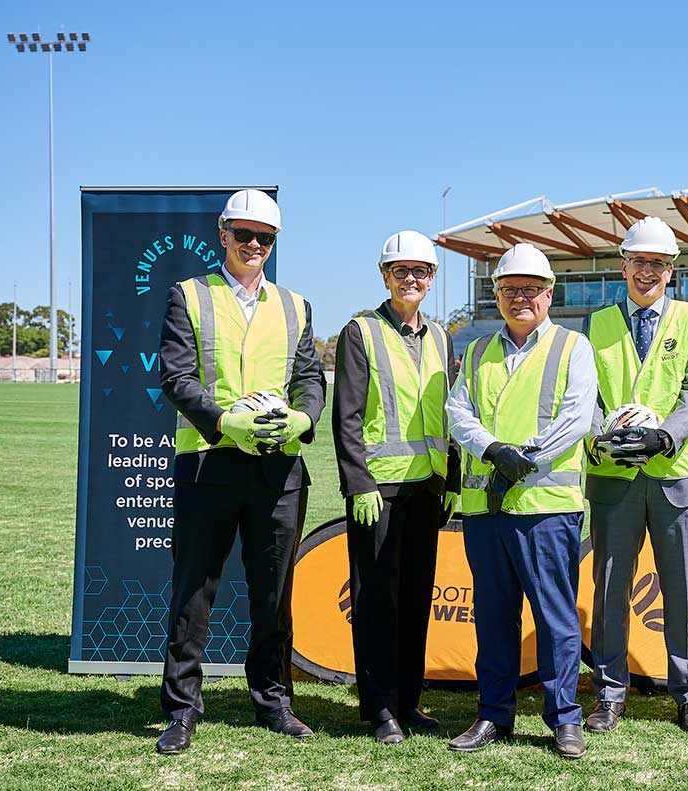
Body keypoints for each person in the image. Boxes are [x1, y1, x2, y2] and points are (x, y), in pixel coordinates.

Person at [156, 189, 326, 754]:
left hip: (279, 467)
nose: (255, 245)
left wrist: (301, 419)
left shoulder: (295, 305)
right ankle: (181, 710)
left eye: (266, 238)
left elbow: (309, 379)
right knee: (195, 587)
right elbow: (177, 378)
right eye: (245, 235)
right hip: (209, 462)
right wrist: (228, 423)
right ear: (223, 235)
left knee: (273, 590)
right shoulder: (189, 296)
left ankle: (274, 699)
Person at [444, 243, 598, 759]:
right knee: (492, 617)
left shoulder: (573, 347)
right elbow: (457, 411)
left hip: (546, 509)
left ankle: (564, 719)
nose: (520, 298)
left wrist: (524, 461)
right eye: (510, 289)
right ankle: (494, 714)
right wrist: (493, 450)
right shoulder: (478, 348)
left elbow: (576, 418)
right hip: (487, 510)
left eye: (531, 289)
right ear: (497, 295)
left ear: (549, 293)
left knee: (556, 618)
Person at [582, 216, 688, 736]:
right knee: (610, 590)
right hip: (614, 477)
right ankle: (610, 695)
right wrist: (604, 438)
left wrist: (665, 437)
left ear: (671, 270)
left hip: (676, 475)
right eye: (639, 261)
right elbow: (586, 397)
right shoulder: (595, 324)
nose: (648, 271)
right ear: (623, 264)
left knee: (681, 592)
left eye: (658, 263)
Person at [332, 230, 459, 744]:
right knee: (376, 601)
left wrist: (450, 478)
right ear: (385, 276)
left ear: (432, 279)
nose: (412, 279)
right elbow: (347, 416)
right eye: (401, 271)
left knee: (415, 599)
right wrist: (357, 482)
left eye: (421, 271)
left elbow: (448, 415)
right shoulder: (360, 332)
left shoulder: (442, 336)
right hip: (378, 493)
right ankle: (380, 708)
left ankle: (409, 700)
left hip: (425, 491)